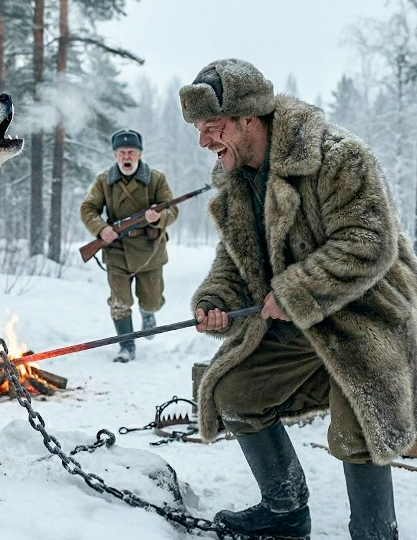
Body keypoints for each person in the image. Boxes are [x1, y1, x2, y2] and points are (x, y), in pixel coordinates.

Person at [180, 58, 417, 540]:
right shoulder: (236, 178)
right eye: (200, 130)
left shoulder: (338, 156)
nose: (205, 140)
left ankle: (376, 533)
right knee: (235, 393)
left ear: (250, 119)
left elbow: (368, 241)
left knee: (359, 428)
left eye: (213, 127)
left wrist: (294, 292)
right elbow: (236, 260)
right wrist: (216, 297)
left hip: (368, 315)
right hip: (302, 323)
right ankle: (285, 511)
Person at [80, 130, 178, 363]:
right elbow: (88, 208)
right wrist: (101, 229)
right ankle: (126, 347)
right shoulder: (104, 180)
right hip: (117, 250)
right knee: (120, 302)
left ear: (139, 154)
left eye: (131, 152)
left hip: (150, 250)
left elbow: (172, 209)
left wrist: (158, 218)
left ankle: (148, 313)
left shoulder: (156, 179)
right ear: (115, 155)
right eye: (122, 152)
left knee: (152, 300)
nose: (127, 156)